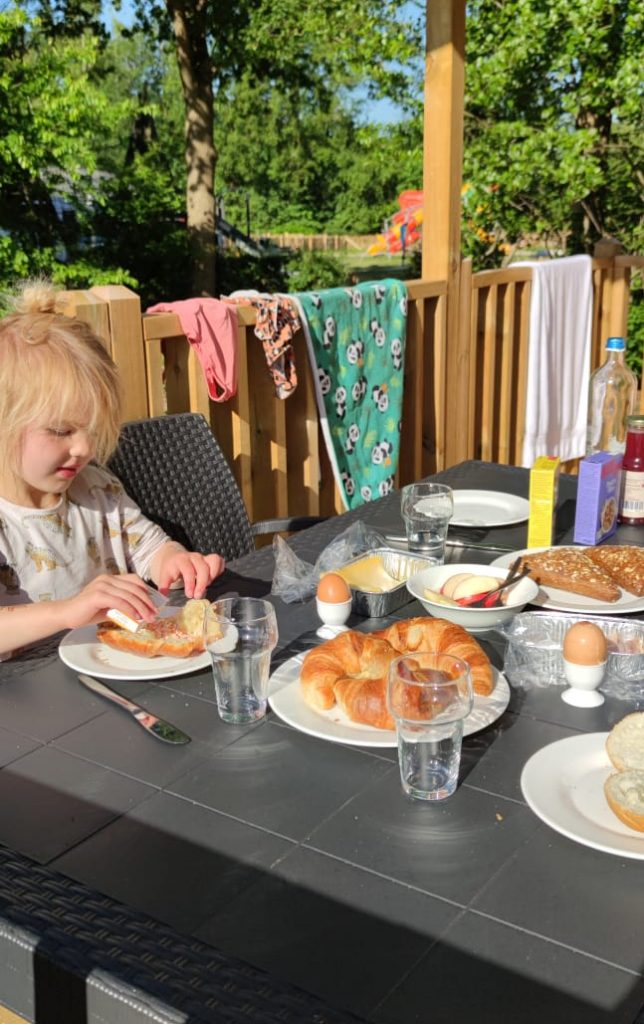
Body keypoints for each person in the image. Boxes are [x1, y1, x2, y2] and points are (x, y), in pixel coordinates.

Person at [0, 281, 225, 658]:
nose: (84, 448)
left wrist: (174, 560)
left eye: (92, 429)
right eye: (61, 430)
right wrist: (65, 613)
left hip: (114, 672)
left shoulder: (95, 487)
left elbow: (148, 545)